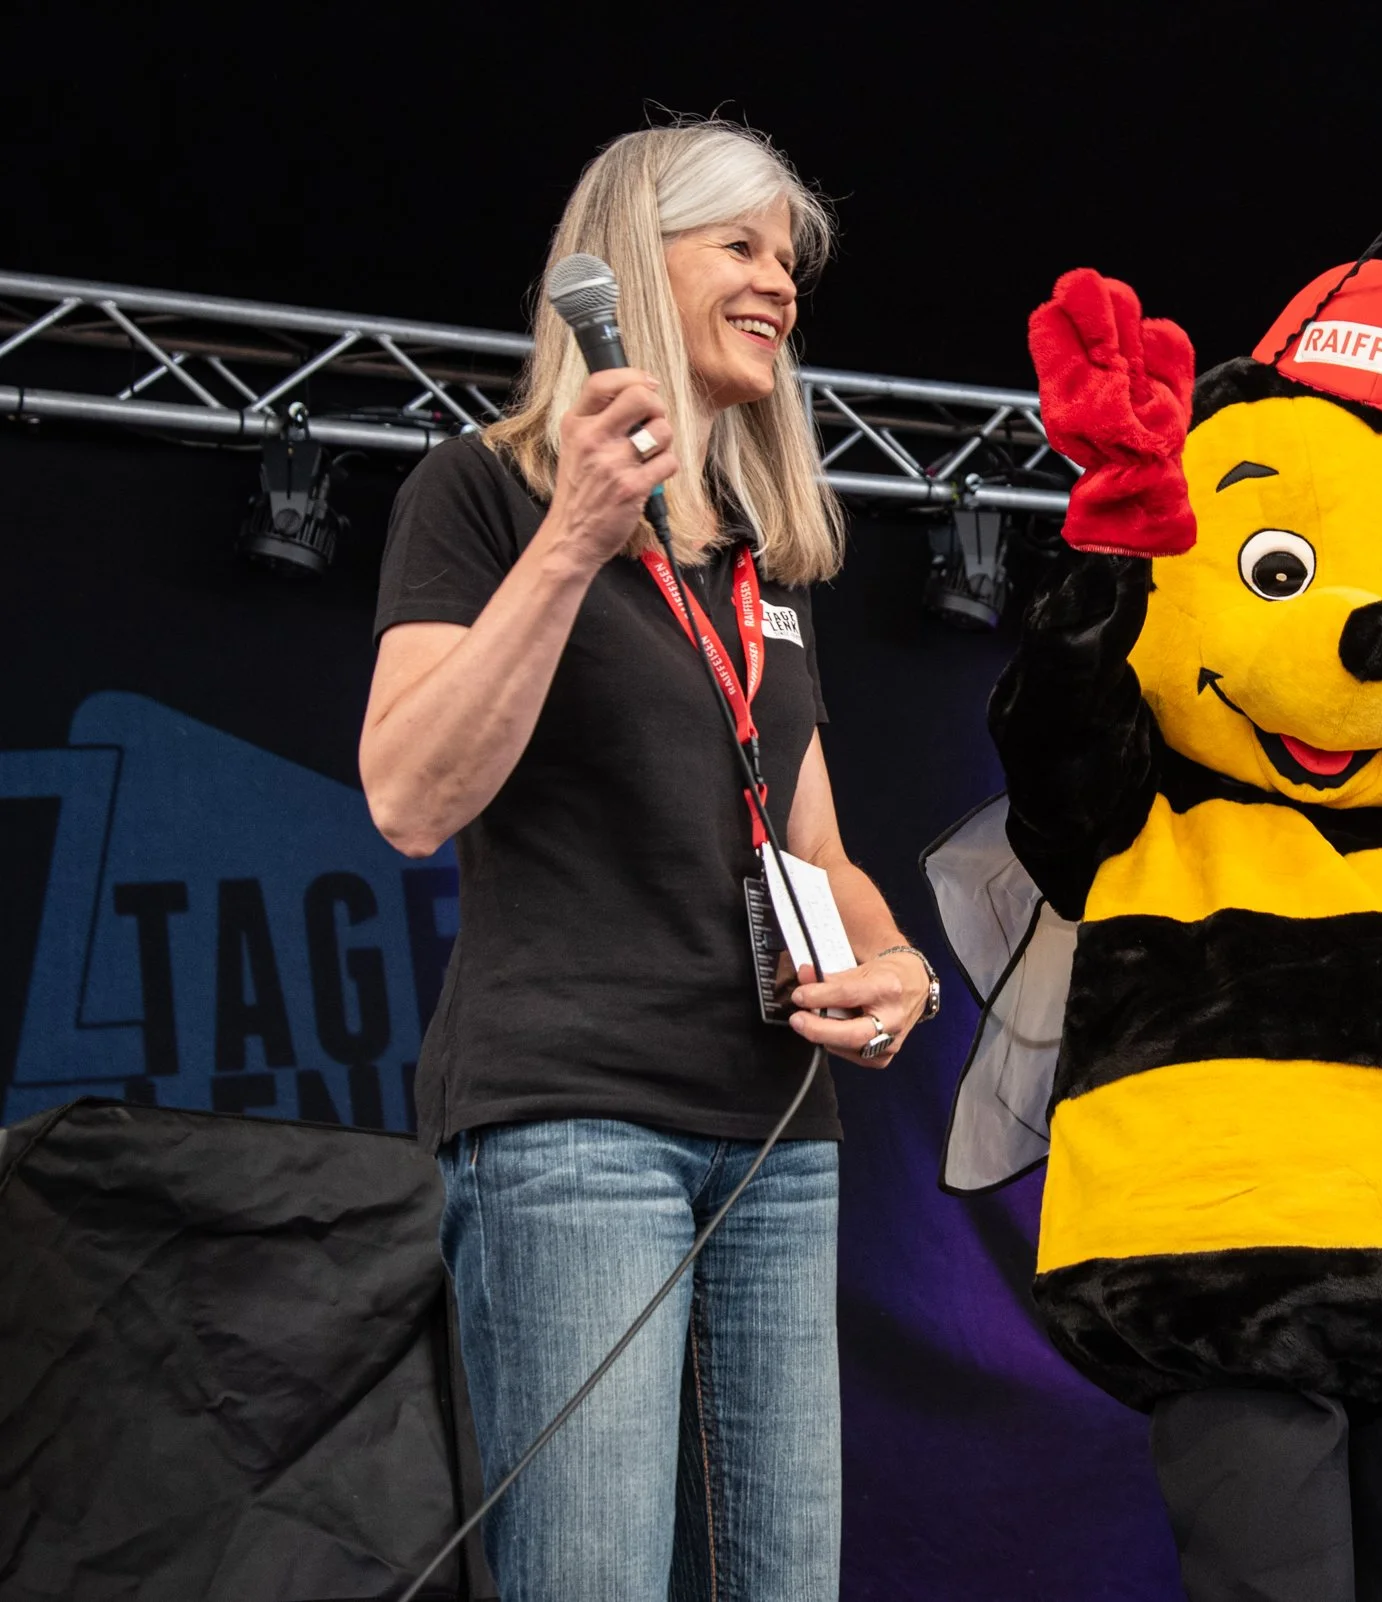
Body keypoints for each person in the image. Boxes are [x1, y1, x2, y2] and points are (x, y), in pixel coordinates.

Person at [359, 121, 936, 1602]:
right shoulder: (484, 495)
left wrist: (896, 965)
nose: (779, 283)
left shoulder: (761, 555)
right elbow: (411, 796)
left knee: (788, 1580)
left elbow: (817, 843)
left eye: (790, 258)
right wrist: (570, 544)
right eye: (739, 246)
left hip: (776, 1140)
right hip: (574, 1128)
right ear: (629, 261)